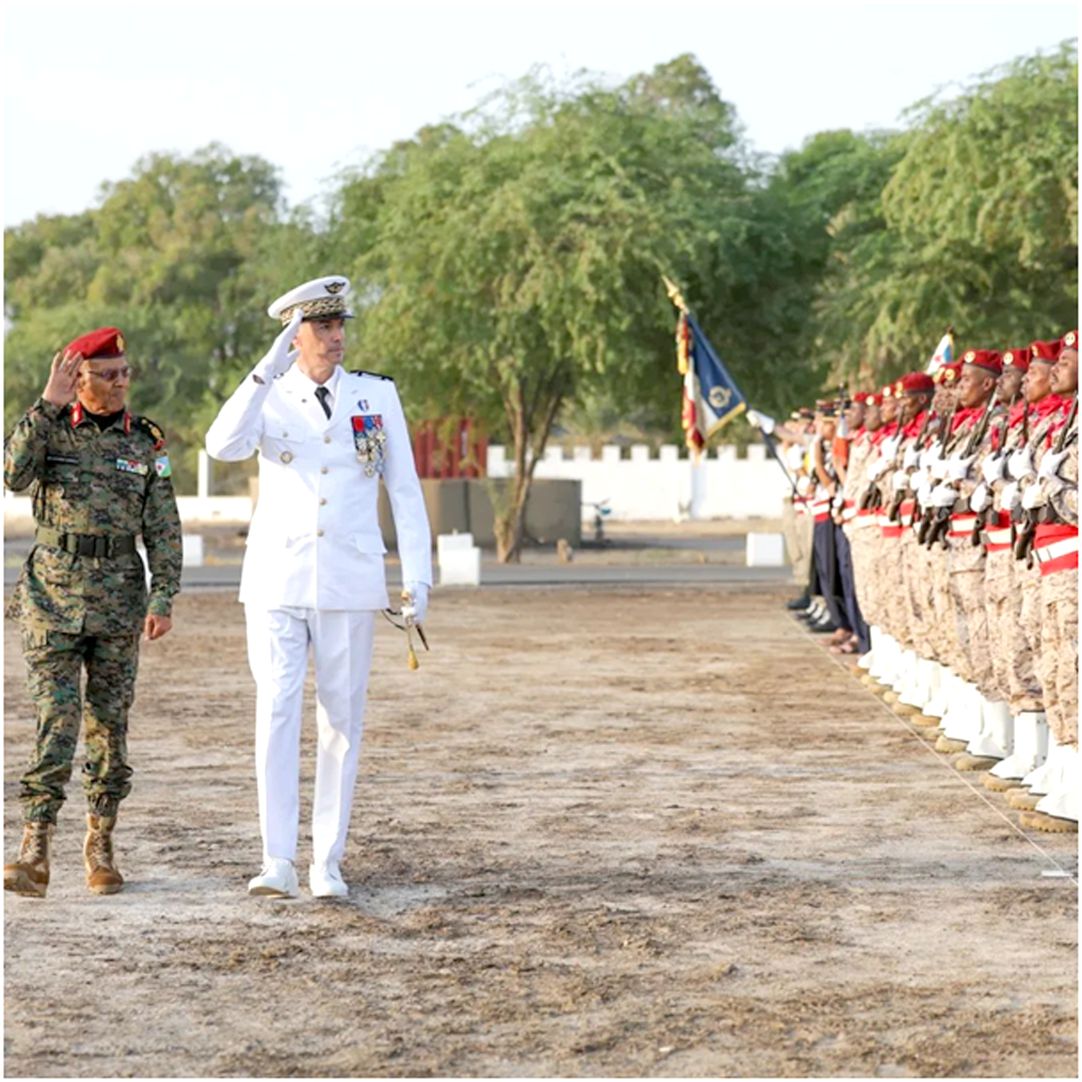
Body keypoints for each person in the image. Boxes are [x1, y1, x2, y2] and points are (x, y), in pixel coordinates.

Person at [205, 275, 433, 899]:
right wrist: (262, 369)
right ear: (293, 335)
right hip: (278, 576)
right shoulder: (267, 394)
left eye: (339, 326)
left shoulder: (375, 396)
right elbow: (221, 444)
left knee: (341, 720)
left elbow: (403, 489)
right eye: (321, 327)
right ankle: (276, 857)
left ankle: (325, 860)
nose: (335, 338)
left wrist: (417, 574)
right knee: (276, 711)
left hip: (350, 578)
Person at [3, 327, 182, 898]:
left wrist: (163, 597)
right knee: (56, 719)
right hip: (51, 597)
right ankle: (34, 845)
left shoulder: (145, 442)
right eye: (108, 373)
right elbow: (11, 475)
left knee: (109, 725)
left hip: (117, 602)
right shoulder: (49, 427)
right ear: (77, 377)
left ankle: (100, 843)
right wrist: (45, 406)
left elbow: (163, 527)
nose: (121, 381)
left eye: (125, 372)